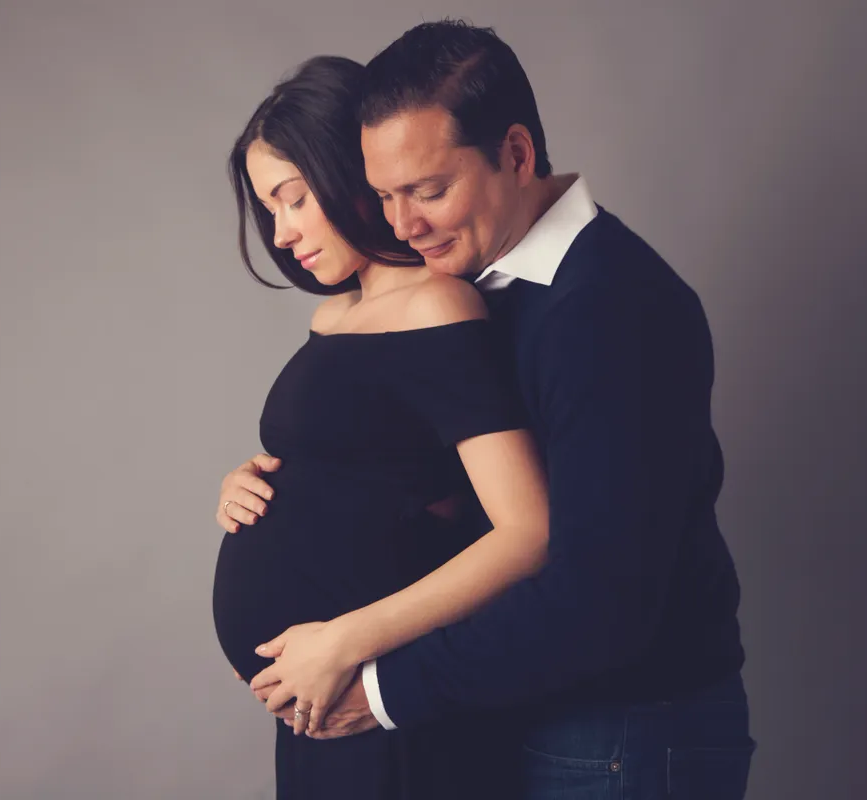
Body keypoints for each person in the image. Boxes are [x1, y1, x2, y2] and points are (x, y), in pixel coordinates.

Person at [219, 20, 755, 800]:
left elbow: (598, 596)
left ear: (517, 154)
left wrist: (378, 685)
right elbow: (445, 481)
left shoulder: (612, 306)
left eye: (429, 190)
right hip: (530, 713)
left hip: (625, 729)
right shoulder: (487, 284)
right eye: (384, 196)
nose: (402, 225)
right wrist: (293, 490)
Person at [211, 54, 551, 799]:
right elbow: (364, 464)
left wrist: (342, 642)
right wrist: (254, 483)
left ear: (350, 171)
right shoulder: (334, 316)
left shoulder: (437, 306)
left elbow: (526, 530)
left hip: (383, 703)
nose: (281, 232)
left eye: (294, 200)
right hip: (315, 706)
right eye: (269, 210)